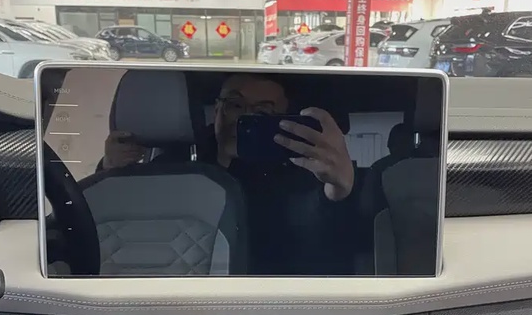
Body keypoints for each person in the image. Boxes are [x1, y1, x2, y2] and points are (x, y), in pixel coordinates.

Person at [101, 73, 358, 275]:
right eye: (235, 105)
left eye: (262, 113)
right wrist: (109, 173)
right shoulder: (173, 167)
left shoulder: (298, 173)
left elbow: (315, 233)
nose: (243, 118)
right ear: (217, 110)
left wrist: (338, 190)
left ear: (280, 122)